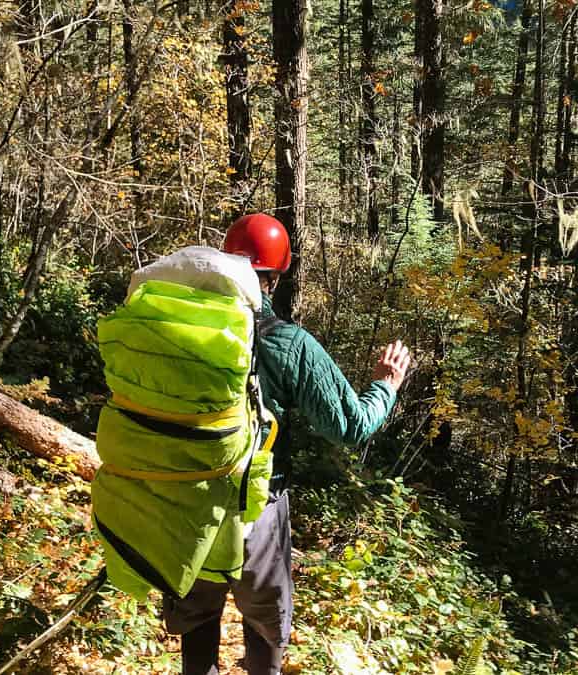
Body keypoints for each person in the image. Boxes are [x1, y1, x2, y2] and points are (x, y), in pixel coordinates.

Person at [158, 213, 412, 675]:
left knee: (197, 617)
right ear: (274, 277)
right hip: (257, 506)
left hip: (183, 501)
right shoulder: (287, 343)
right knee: (264, 621)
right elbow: (351, 426)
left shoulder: (179, 326)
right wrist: (386, 386)